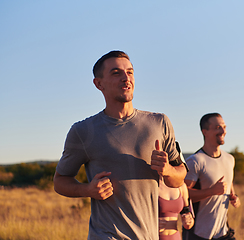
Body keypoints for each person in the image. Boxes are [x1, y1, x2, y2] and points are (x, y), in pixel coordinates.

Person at [53, 50, 187, 240]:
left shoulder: (160, 123)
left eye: (130, 72)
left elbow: (180, 177)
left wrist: (168, 171)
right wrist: (87, 190)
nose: (126, 78)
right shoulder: (83, 131)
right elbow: (60, 181)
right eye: (116, 73)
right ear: (99, 84)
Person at [182, 113, 241, 240]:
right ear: (205, 132)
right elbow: (183, 194)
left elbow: (228, 183)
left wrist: (234, 196)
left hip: (223, 232)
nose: (223, 131)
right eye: (217, 127)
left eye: (224, 127)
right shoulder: (195, 161)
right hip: (199, 234)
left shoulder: (230, 159)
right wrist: (211, 192)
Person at [158, 144, 194, 240]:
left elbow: (188, 217)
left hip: (176, 237)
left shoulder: (181, 186)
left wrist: (188, 222)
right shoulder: (152, 185)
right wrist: (152, 224)